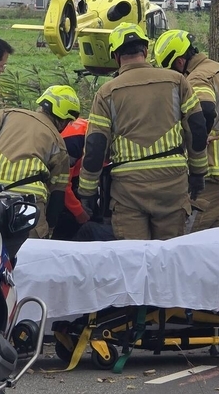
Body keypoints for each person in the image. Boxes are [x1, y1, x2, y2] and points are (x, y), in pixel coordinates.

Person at [77, 24, 208, 240]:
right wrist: (198, 173)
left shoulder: (106, 93)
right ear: (145, 51)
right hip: (172, 186)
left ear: (116, 56)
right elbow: (197, 127)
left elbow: (95, 146)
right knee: (167, 257)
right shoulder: (177, 81)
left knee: (134, 259)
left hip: (129, 191)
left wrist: (87, 192)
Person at [152, 30, 219, 231]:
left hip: (215, 172)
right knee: (212, 245)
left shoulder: (197, 78)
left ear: (180, 62)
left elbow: (205, 110)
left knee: (186, 239)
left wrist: (199, 137)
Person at [0, 85, 79, 239]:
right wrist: (48, 229)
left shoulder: (6, 115)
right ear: (64, 119)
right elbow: (57, 195)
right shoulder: (59, 144)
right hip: (28, 208)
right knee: (30, 257)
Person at [53, 116, 92, 240]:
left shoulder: (89, 130)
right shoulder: (73, 143)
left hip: (73, 173)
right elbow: (62, 184)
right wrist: (79, 212)